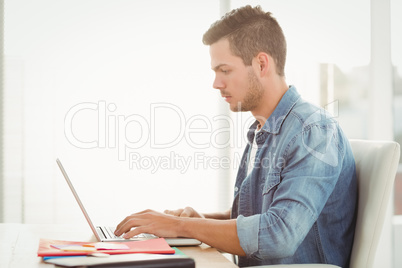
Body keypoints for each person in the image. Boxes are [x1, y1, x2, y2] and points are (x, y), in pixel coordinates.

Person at [114, 5, 357, 267]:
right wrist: (197, 222)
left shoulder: (312, 130)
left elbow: (279, 235)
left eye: (225, 70)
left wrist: (181, 226)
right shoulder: (262, 131)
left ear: (261, 63)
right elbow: (258, 217)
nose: (216, 83)